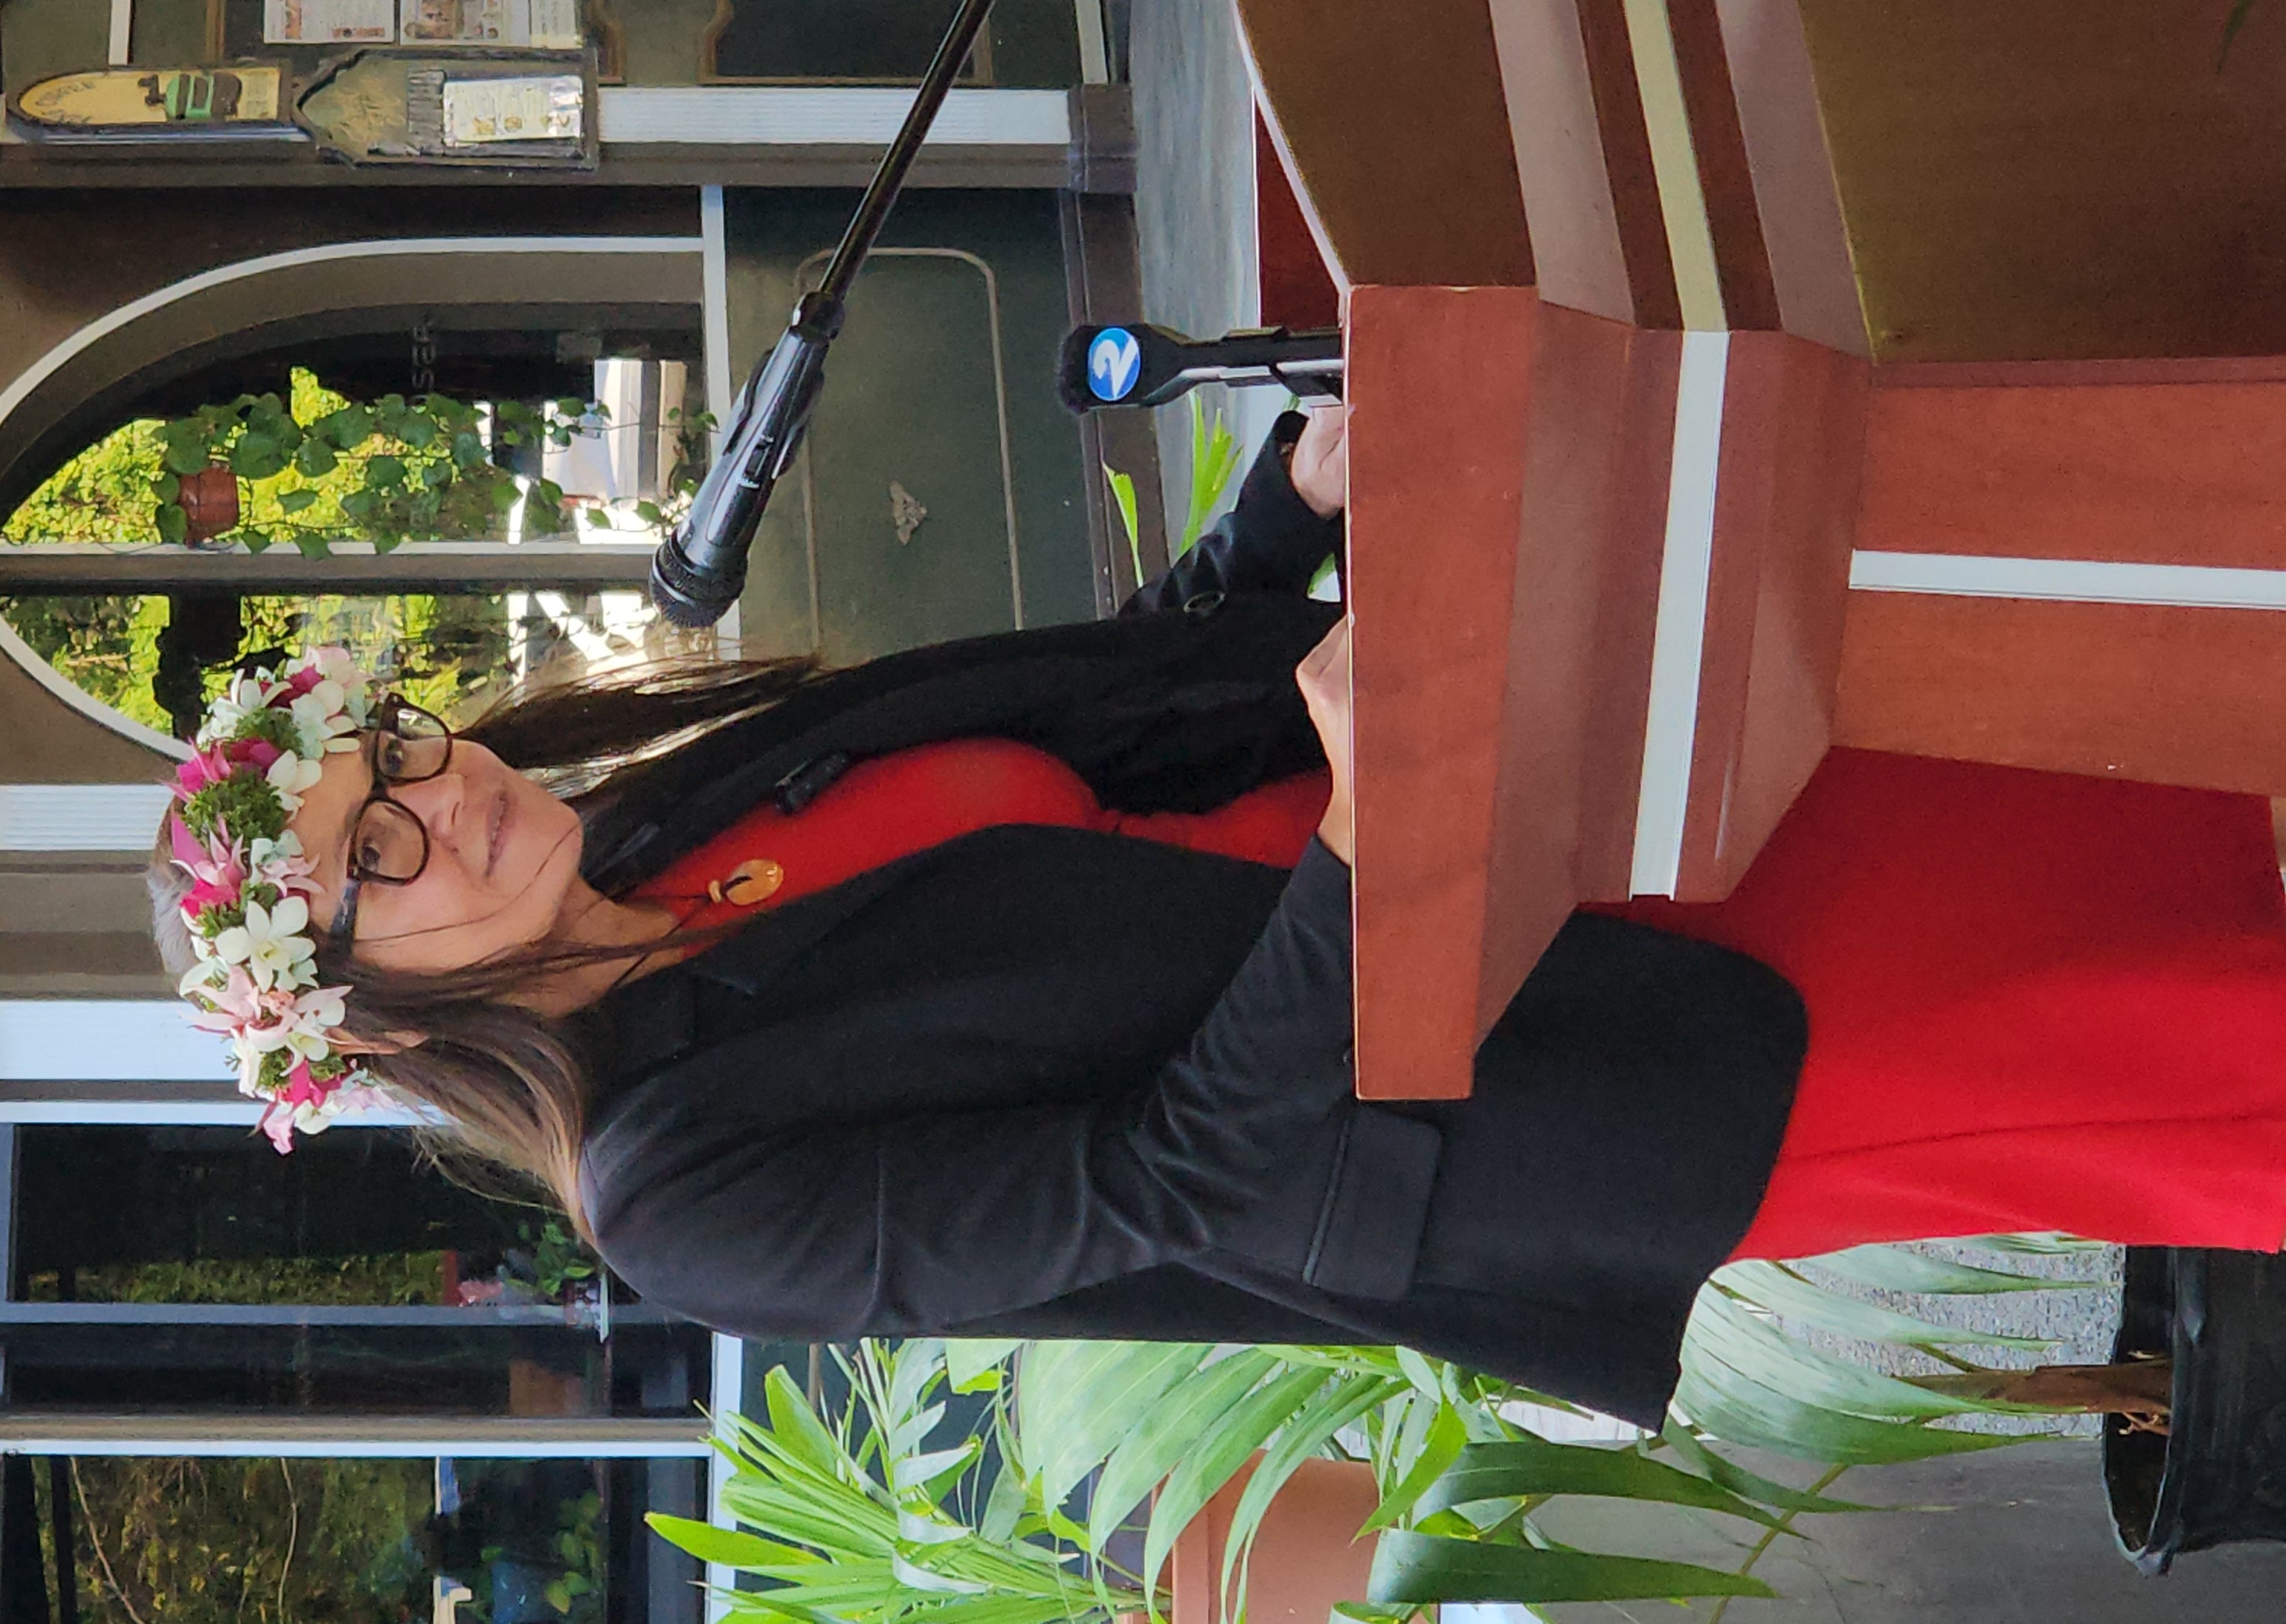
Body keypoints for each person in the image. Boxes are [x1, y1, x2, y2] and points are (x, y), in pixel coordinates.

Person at [149, 403, 2286, 1427]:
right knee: (2164, 1032)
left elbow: (1101, 714)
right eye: (379, 858)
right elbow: (1172, 1182)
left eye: (400, 751)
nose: (446, 800)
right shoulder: (684, 1189)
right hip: (1542, 1068)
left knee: (2120, 802)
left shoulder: (682, 813)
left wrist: (1288, 500)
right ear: (362, 1008)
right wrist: (1369, 841)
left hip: (1529, 803)